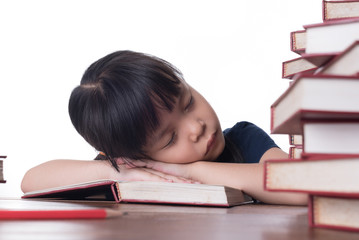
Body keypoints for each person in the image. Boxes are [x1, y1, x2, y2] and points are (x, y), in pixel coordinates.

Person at [21, 50, 306, 205]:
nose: (196, 127)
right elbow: (31, 180)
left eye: (189, 101)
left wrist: (192, 171)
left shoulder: (243, 139)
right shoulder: (137, 168)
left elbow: (304, 186)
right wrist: (118, 172)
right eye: (170, 139)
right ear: (134, 154)